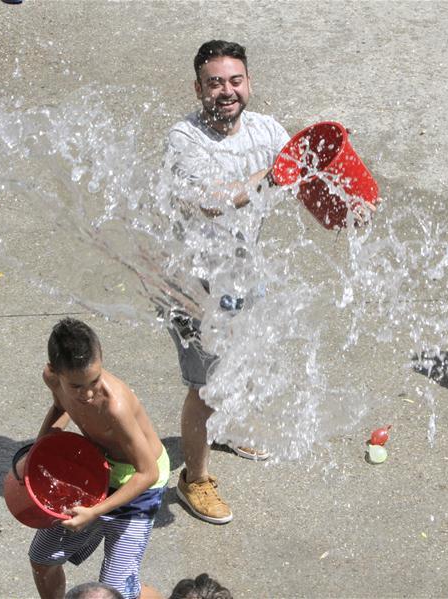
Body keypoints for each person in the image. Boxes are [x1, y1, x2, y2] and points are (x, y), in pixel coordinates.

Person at [161, 40, 290, 525]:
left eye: (235, 81)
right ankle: (193, 479)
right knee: (205, 387)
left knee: (243, 359)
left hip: (242, 273)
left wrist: (347, 198)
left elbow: (307, 171)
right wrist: (267, 176)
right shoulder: (184, 140)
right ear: (198, 88)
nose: (226, 91)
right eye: (215, 82)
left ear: (249, 84)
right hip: (192, 287)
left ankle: (228, 428)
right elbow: (212, 201)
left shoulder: (266, 130)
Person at [28, 319, 169, 599]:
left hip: (138, 485)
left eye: (95, 380)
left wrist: (94, 512)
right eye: (77, 386)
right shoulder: (51, 378)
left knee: (118, 591)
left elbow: (148, 472)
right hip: (96, 471)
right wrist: (36, 455)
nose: (89, 393)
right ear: (55, 372)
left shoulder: (114, 406)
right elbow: (60, 406)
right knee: (42, 558)